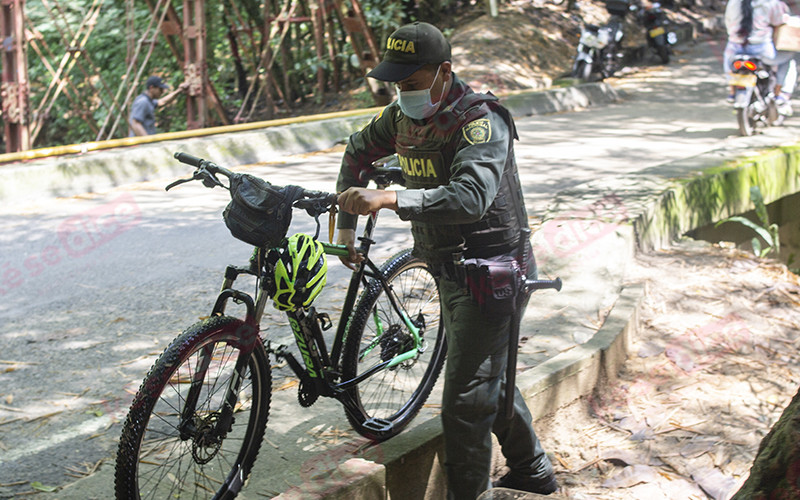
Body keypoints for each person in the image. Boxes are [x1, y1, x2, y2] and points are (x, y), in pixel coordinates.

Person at [335, 22, 558, 499]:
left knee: (464, 402)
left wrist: (392, 198)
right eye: (398, 85)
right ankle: (534, 470)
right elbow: (357, 150)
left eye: (412, 84)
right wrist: (345, 227)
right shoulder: (400, 117)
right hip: (448, 269)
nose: (403, 94)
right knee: (483, 381)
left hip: (493, 273)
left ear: (444, 73)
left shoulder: (481, 121)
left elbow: (472, 197)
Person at [724, 0, 798, 113]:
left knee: (732, 67)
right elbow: (779, 21)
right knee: (789, 56)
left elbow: (728, 22)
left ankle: (732, 92)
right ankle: (780, 94)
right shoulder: (771, 3)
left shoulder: (733, 2)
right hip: (762, 51)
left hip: (734, 50)